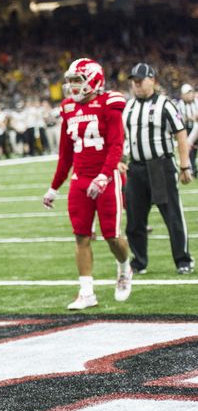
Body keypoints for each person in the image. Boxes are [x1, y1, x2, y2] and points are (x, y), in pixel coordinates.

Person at [42, 58, 132, 310]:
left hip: (106, 178)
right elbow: (65, 155)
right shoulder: (68, 108)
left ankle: (125, 268)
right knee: (81, 236)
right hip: (80, 180)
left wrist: (104, 176)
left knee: (111, 236)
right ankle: (86, 292)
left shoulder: (109, 103)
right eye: (70, 80)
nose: (71, 85)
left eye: (77, 80)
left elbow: (116, 145)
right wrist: (53, 187)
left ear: (93, 80)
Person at [122, 63, 194, 275]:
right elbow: (124, 137)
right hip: (135, 168)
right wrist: (121, 158)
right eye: (133, 81)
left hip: (160, 166)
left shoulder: (165, 104)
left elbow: (180, 134)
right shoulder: (129, 107)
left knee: (172, 214)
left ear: (152, 79)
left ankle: (183, 259)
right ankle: (139, 261)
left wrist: (184, 164)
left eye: (140, 80)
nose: (136, 85)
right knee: (134, 218)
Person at [177, 83, 198, 173]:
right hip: (187, 130)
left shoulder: (196, 102)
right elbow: (177, 119)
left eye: (190, 92)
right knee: (190, 150)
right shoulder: (179, 105)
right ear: (183, 95)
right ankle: (192, 169)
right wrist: (188, 118)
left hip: (196, 127)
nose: (190, 95)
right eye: (187, 93)